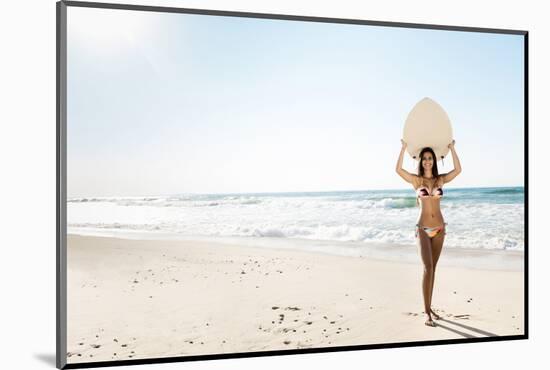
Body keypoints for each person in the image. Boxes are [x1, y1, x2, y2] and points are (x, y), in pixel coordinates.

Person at [395, 139, 462, 327]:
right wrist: (402, 149)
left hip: (440, 228)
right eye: (424, 158)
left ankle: (430, 307)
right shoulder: (417, 181)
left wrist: (452, 149)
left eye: (430, 158)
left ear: (434, 160)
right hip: (422, 229)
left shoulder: (439, 180)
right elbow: (398, 170)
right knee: (428, 268)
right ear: (421, 161)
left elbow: (458, 170)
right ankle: (427, 314)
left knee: (434, 270)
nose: (427, 161)